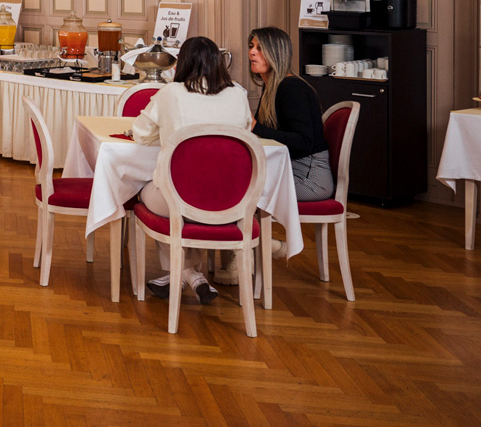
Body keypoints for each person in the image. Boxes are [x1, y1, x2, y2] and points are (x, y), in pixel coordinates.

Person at [130, 35, 252, 305]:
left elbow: (141, 134)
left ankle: (182, 273)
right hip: (231, 199)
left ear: (182, 62)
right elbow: (244, 133)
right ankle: (193, 276)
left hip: (181, 199)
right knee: (190, 196)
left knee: (151, 190)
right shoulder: (238, 93)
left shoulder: (171, 93)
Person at [248, 26, 333, 202]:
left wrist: (256, 127)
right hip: (288, 169)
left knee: (240, 187)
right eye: (251, 46)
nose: (252, 52)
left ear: (276, 53)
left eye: (260, 48)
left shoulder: (292, 88)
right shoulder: (271, 86)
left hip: (310, 180)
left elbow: (303, 143)